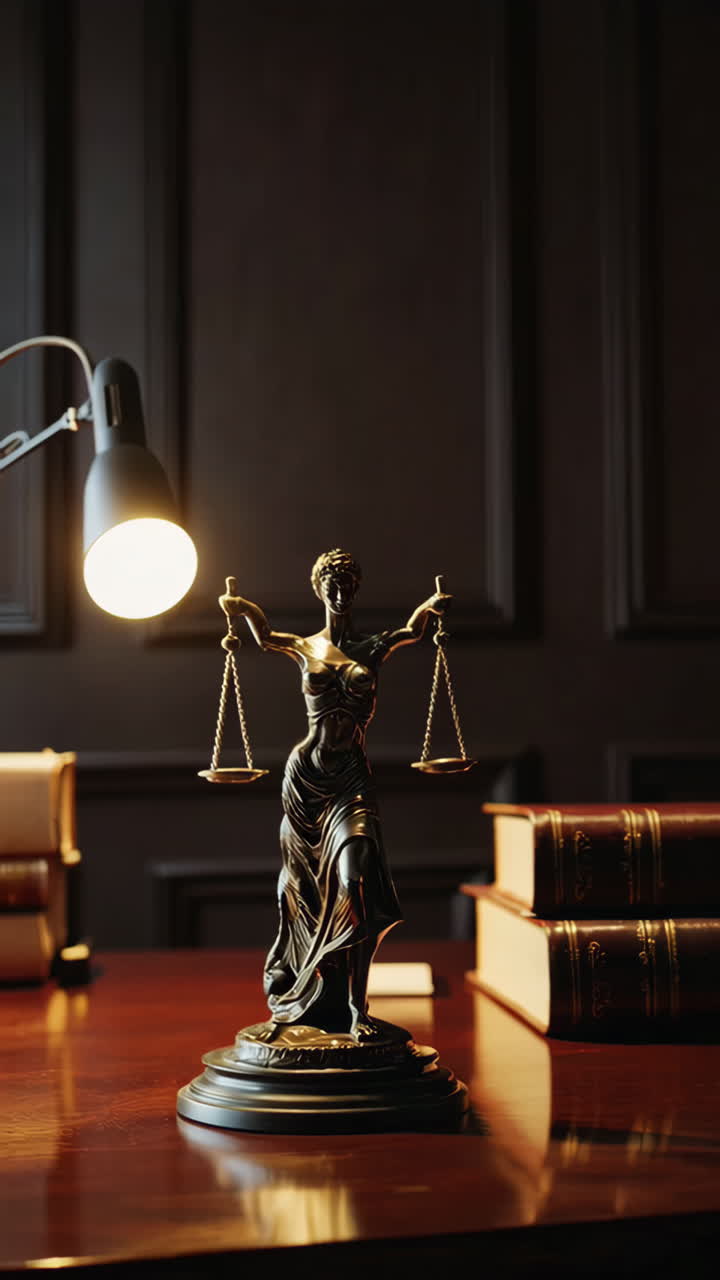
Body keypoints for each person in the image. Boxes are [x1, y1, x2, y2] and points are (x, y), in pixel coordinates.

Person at [221, 549, 450, 1040]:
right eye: (332, 583)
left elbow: (412, 631)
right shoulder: (303, 648)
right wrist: (239, 607)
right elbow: (265, 637)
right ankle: (314, 994)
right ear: (319, 589)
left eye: (348, 583)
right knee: (302, 891)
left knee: (357, 880)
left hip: (352, 781)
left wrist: (431, 609)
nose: (340, 591)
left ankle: (357, 1007)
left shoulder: (373, 648)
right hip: (306, 781)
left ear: (356, 589)